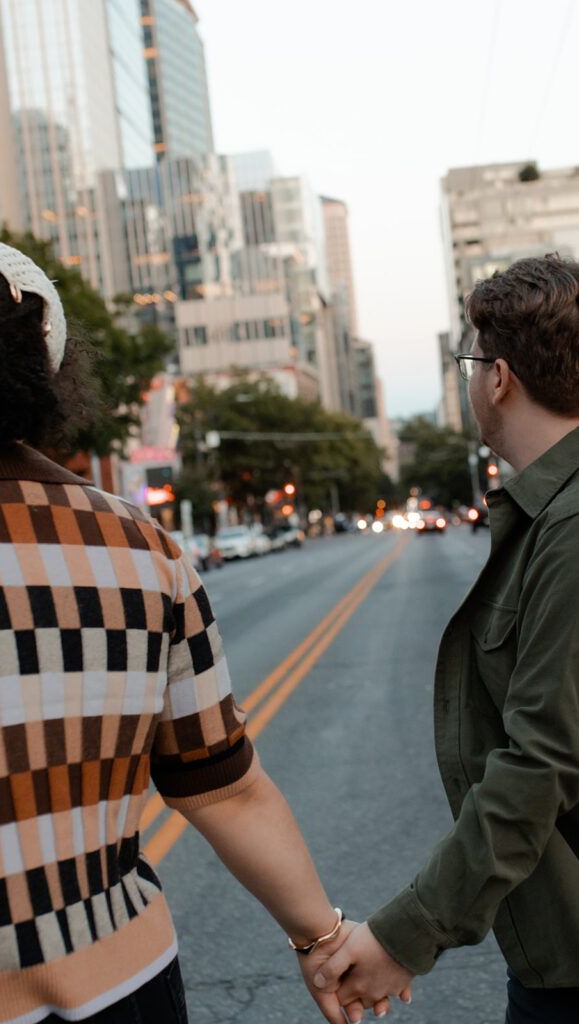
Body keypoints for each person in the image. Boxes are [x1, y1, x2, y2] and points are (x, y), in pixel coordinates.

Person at [0, 227, 395, 1024]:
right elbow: (225, 791)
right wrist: (322, 938)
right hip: (126, 986)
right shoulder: (139, 542)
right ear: (49, 374)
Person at [314, 254, 579, 1022]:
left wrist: (402, 938)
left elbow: (539, 764)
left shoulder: (568, 527)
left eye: (468, 365)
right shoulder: (549, 515)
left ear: (497, 378)